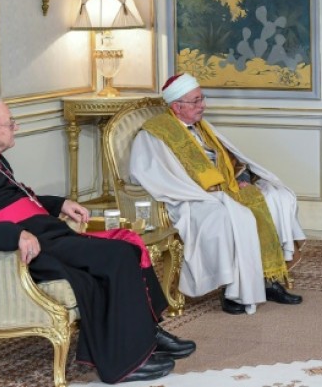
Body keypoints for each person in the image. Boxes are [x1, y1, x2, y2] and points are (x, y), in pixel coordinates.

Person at [0, 96, 196, 384]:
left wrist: (59, 203)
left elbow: (15, 201)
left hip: (49, 234)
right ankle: (126, 362)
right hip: (32, 250)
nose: (16, 127)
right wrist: (15, 235)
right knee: (118, 254)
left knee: (130, 244)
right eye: (10, 123)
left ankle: (147, 335)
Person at [129, 73, 306, 315]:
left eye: (202, 98)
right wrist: (211, 191)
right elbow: (157, 176)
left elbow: (231, 159)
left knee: (277, 197)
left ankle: (269, 280)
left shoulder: (202, 127)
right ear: (176, 106)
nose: (203, 105)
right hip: (192, 198)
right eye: (196, 101)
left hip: (226, 188)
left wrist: (240, 180)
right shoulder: (156, 134)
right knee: (233, 216)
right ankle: (231, 290)